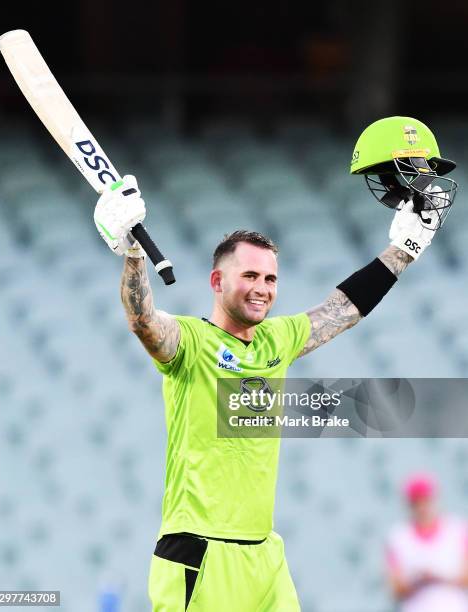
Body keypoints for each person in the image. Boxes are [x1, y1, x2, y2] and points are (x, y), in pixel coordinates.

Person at [93, 117, 457, 610]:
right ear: (217, 282)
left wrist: (404, 250)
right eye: (249, 275)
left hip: (265, 557)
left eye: (270, 278)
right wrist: (132, 252)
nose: (263, 288)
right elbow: (143, 322)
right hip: (200, 553)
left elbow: (341, 309)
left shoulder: (276, 339)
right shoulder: (192, 342)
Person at [386, 474, 468, 612]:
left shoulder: (457, 530)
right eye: (416, 503)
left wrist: (437, 577)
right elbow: (395, 590)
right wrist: (418, 581)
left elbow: (465, 578)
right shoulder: (398, 538)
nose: (422, 508)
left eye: (425, 501)